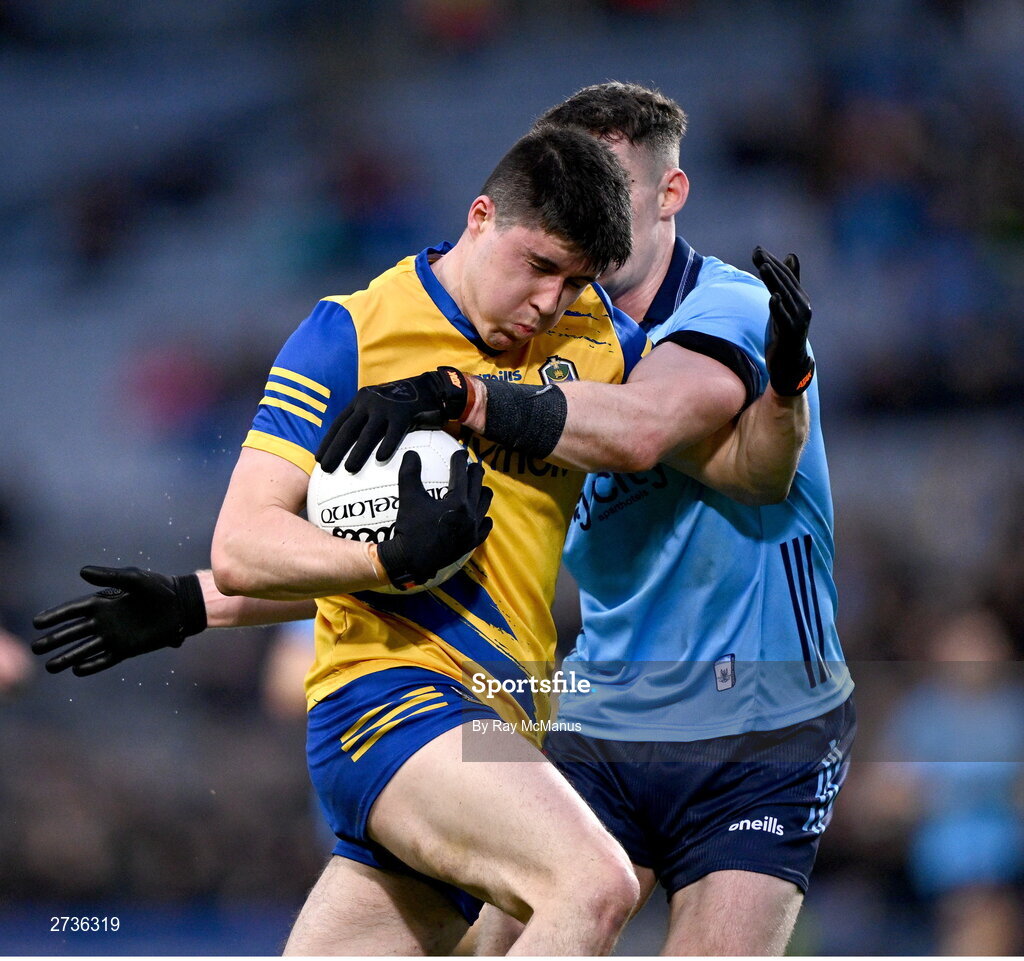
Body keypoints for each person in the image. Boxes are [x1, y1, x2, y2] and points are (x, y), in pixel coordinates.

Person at [33, 95, 819, 953]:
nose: (550, 302)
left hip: (493, 738)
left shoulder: (599, 342)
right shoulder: (352, 334)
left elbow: (749, 471)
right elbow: (249, 542)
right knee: (590, 885)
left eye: (575, 281)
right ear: (482, 217)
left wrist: (785, 389)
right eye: (539, 266)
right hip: (392, 704)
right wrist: (383, 557)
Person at [321, 82, 855, 956]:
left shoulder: (732, 308)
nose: (591, 209)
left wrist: (465, 397)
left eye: (611, 186)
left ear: (671, 195)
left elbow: (659, 435)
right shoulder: (552, 339)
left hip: (760, 727)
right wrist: (201, 598)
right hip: (602, 710)